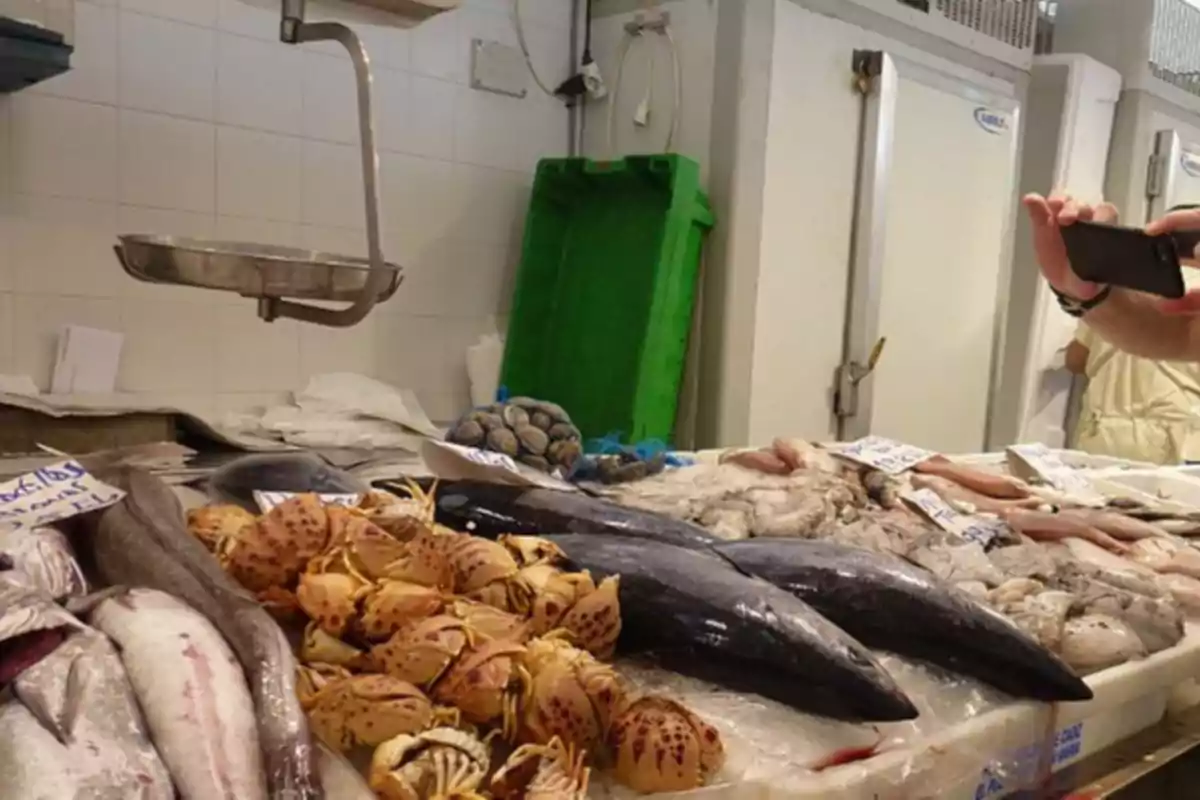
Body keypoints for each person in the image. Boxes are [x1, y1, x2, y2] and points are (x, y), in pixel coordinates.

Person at [1026, 196, 1200, 462]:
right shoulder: (1149, 289)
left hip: (1109, 434)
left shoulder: (1138, 282)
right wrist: (1091, 295)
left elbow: (1077, 359)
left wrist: (1089, 297)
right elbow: (1174, 333)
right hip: (1177, 439)